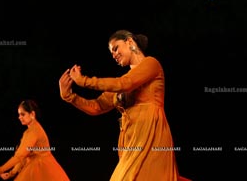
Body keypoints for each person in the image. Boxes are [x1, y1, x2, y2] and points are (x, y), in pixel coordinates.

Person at [59, 29, 191, 181]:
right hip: (131, 141)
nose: (113, 54)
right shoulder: (121, 82)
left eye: (115, 48)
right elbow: (96, 107)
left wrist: (84, 81)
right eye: (111, 53)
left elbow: (125, 84)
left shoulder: (151, 64)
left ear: (129, 42)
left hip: (152, 133)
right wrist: (69, 96)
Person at [0, 99, 70, 181]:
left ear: (32, 114)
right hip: (39, 165)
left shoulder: (34, 132)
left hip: (41, 167)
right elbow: (23, 156)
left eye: (23, 114)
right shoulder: (30, 131)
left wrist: (0, 170)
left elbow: (20, 156)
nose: (20, 117)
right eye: (19, 115)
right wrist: (11, 173)